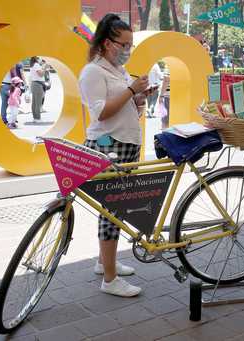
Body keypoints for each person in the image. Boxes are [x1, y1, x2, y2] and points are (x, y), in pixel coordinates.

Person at [79, 13, 155, 297]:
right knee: (111, 211)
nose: (128, 50)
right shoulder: (93, 72)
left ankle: (104, 262)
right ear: (107, 42)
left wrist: (137, 97)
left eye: (130, 45)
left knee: (114, 209)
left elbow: (121, 104)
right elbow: (101, 111)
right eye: (124, 44)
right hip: (109, 147)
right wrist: (131, 89)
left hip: (125, 144)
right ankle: (110, 280)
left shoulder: (117, 70)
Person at [29, 56, 46, 123]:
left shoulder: (33, 65)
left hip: (35, 84)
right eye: (39, 58)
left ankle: (35, 118)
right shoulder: (36, 65)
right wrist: (44, 68)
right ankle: (38, 118)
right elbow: (41, 75)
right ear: (36, 58)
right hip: (38, 84)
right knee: (38, 103)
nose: (40, 59)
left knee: (34, 102)